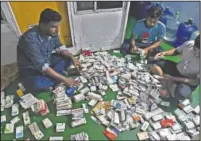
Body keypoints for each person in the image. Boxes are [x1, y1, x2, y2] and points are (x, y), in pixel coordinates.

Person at [17, 8, 81, 92]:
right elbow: (42, 66)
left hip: (47, 60)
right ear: (42, 25)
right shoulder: (30, 40)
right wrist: (65, 79)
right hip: (32, 70)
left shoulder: (52, 33)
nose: (57, 30)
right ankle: (56, 77)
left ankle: (53, 77)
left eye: (58, 26)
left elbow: (60, 48)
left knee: (68, 59)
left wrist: (72, 57)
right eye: (54, 26)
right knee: (36, 84)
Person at [150, 34, 200, 100]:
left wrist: (173, 78)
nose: (196, 54)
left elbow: (196, 81)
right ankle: (165, 84)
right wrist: (164, 53)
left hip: (188, 79)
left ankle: (169, 83)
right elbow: (176, 51)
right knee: (154, 64)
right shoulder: (190, 44)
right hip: (177, 68)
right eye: (194, 50)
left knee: (183, 93)